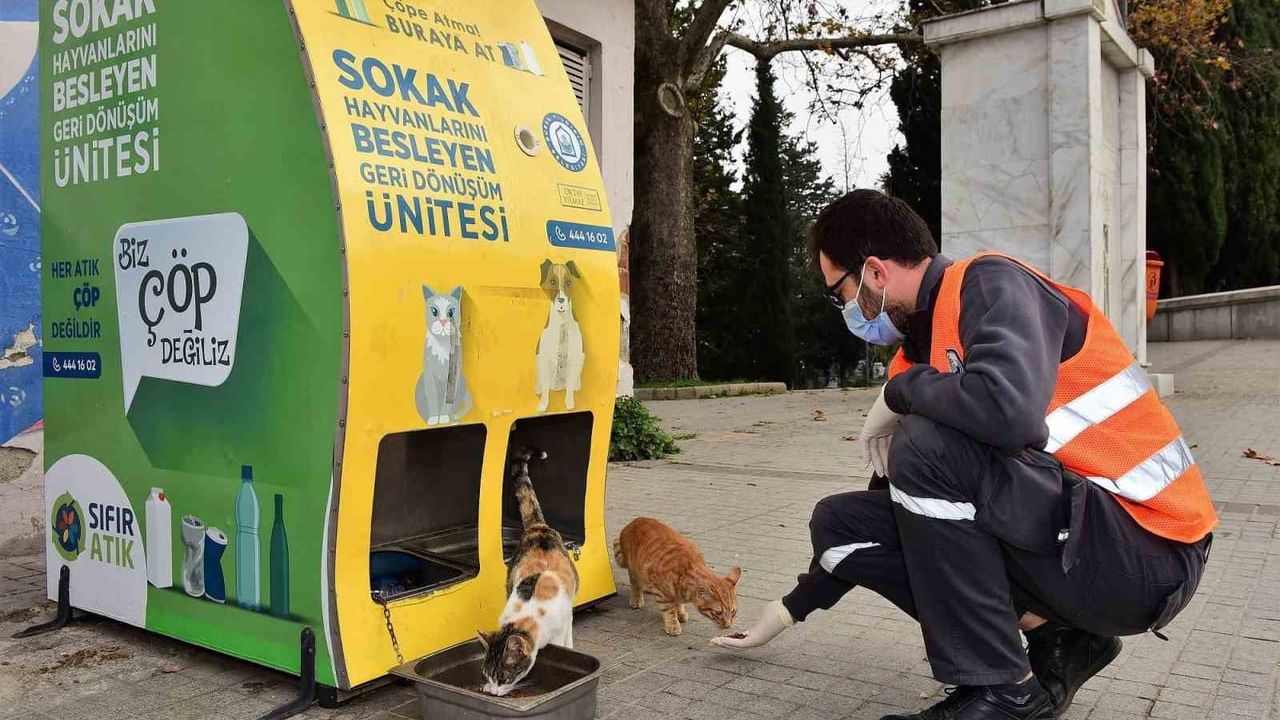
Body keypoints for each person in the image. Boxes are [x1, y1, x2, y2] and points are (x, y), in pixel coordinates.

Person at [711, 190, 1216, 720]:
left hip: (1151, 551)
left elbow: (1009, 413)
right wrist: (790, 609)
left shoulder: (995, 284)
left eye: (839, 291)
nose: (844, 309)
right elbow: (911, 509)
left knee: (924, 447)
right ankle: (1059, 642)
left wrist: (899, 398)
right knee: (840, 522)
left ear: (875, 273)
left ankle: (1003, 694)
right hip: (1079, 537)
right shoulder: (919, 347)